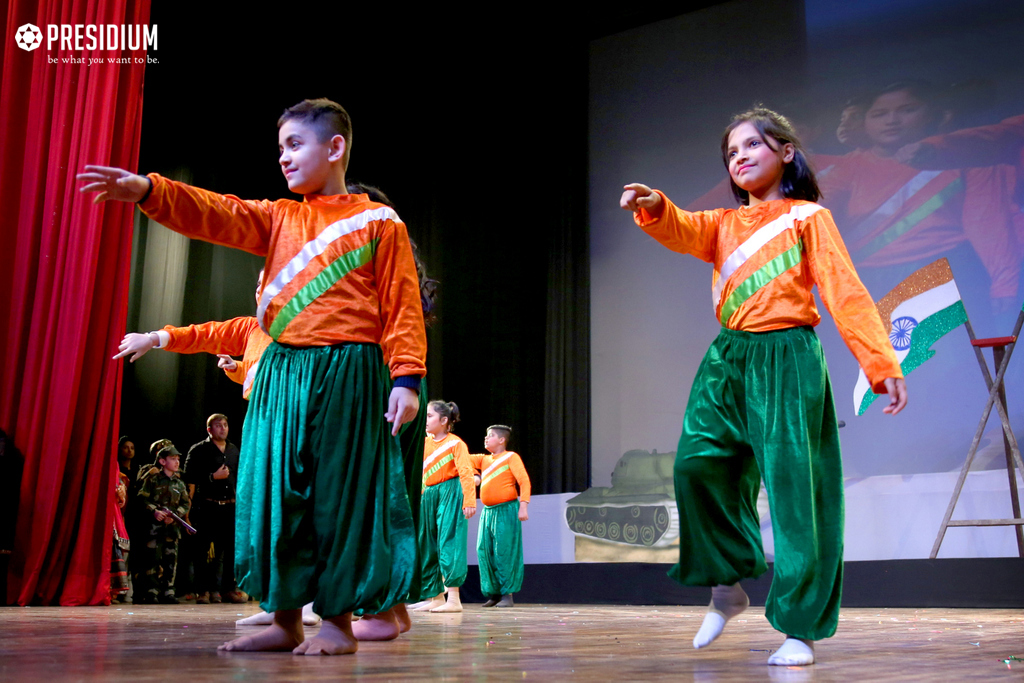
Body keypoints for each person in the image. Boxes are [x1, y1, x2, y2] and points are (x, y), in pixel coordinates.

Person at [79, 98, 426, 655]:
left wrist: (406, 378)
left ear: (335, 147)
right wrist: (149, 190)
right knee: (274, 496)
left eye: (295, 145)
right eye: (280, 147)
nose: (283, 158)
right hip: (281, 373)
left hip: (348, 369)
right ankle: (285, 620)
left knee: (337, 498)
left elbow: (402, 304)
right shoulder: (278, 217)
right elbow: (218, 212)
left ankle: (337, 625)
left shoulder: (380, 223)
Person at [620, 107, 907, 666]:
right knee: (696, 466)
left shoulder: (808, 217)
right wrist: (654, 204)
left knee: (795, 492)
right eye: (731, 152)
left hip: (787, 357)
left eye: (752, 145)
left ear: (786, 152)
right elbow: (681, 227)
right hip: (728, 357)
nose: (740, 157)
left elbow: (845, 292)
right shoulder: (722, 224)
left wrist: (880, 362)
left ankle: (800, 628)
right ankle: (726, 586)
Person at [113, 271, 272, 400]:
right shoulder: (252, 327)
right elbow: (202, 335)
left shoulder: (288, 331)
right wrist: (152, 338)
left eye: (266, 283)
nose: (259, 289)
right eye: (258, 284)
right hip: (262, 413)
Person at [412, 400, 476, 613]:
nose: (425, 419)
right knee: (426, 544)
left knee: (449, 541)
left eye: (429, 415)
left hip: (450, 491)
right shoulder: (424, 443)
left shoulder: (455, 443)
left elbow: (466, 472)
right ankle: (436, 597)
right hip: (428, 494)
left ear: (444, 420)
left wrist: (469, 500)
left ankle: (454, 599)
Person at [184, 414, 245, 605]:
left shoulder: (233, 450)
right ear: (209, 429)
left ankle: (226, 589)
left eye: (225, 425)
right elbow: (190, 479)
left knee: (228, 550)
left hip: (230, 506)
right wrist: (212, 477)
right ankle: (203, 591)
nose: (223, 428)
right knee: (203, 550)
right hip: (207, 506)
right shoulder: (199, 450)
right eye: (218, 425)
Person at [468, 425, 530, 608]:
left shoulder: (511, 457)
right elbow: (462, 459)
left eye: (491, 436)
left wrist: (523, 507)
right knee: (484, 551)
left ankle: (506, 594)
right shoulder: (483, 459)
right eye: (486, 436)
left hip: (506, 510)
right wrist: (475, 473)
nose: (486, 438)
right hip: (487, 512)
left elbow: (524, 481)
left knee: (503, 551)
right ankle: (493, 593)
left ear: (502, 440)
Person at [135, 445, 192, 604]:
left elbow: (185, 503)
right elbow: (142, 498)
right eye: (173, 459)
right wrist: (154, 511)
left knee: (170, 560)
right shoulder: (152, 480)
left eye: (178, 459)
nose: (177, 462)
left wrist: (176, 515)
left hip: (171, 529)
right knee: (151, 559)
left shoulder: (179, 483)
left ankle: (168, 590)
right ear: (162, 461)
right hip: (154, 528)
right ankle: (151, 591)